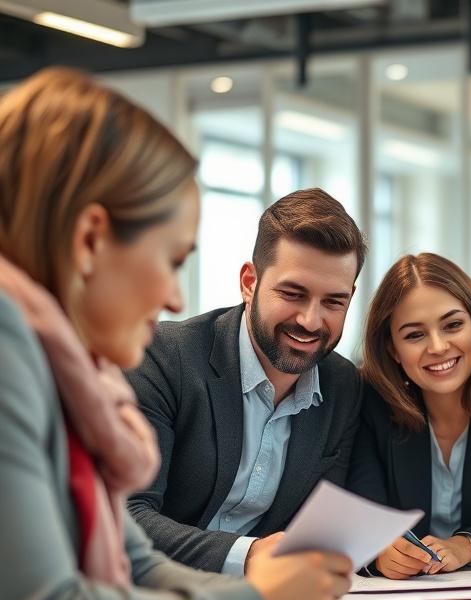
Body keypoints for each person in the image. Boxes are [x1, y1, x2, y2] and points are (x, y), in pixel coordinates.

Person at [0, 68, 350, 600]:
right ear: (89, 241)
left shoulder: (70, 369)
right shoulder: (10, 348)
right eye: (170, 260)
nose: (173, 295)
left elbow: (132, 561)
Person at [126, 189, 364, 574]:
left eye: (333, 302)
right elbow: (127, 515)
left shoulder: (343, 386)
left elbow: (318, 523)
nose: (310, 320)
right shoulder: (166, 356)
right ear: (249, 282)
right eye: (292, 293)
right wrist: (248, 556)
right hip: (161, 596)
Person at [346, 253, 471, 577]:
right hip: (394, 599)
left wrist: (466, 546)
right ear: (392, 349)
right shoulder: (369, 402)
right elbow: (364, 516)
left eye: (453, 325)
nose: (438, 346)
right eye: (414, 335)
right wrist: (380, 553)